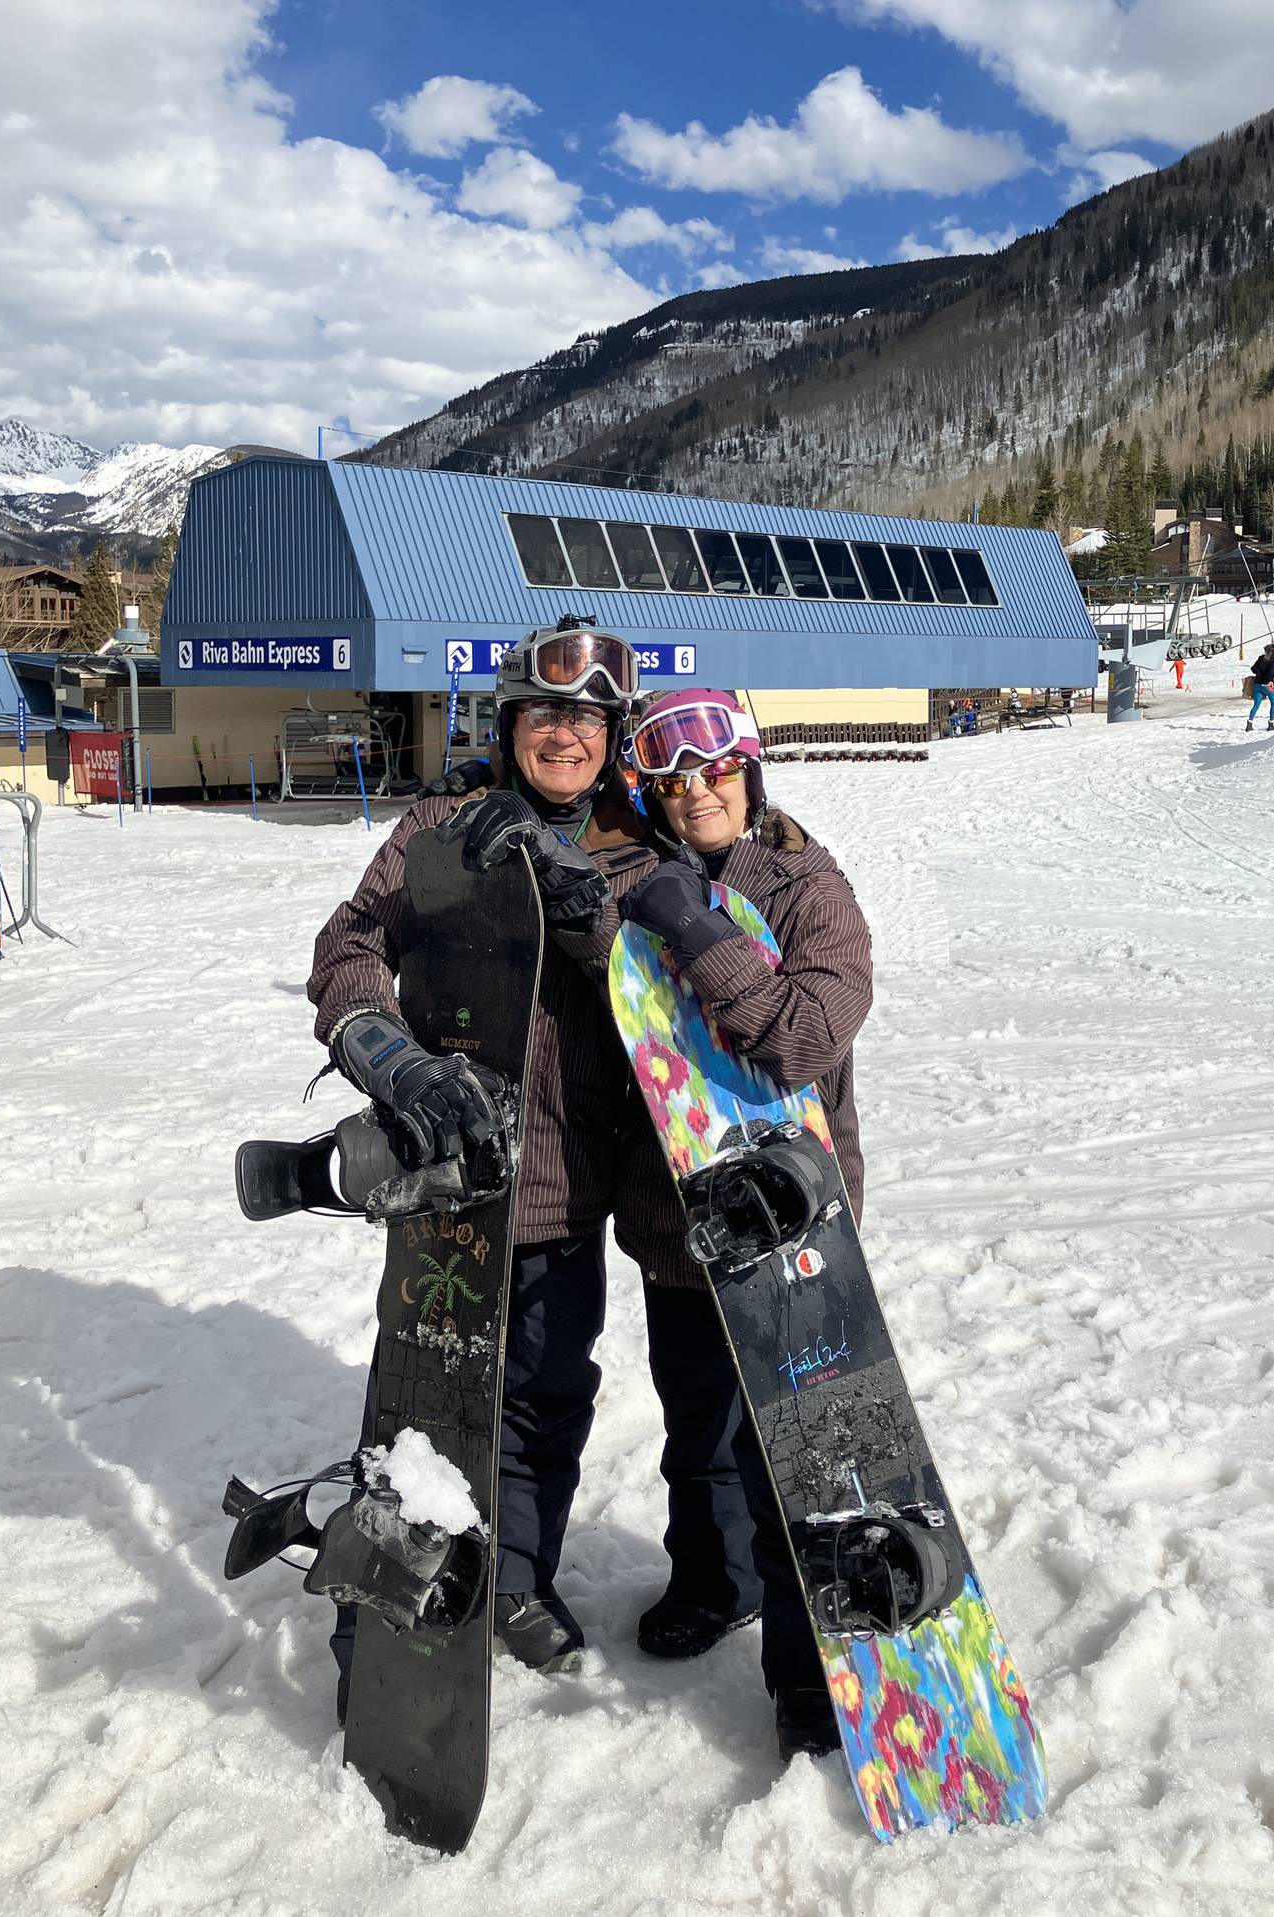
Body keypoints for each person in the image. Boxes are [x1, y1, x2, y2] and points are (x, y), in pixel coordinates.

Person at [307, 619, 659, 1698]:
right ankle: (389, 1604)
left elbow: (678, 1000)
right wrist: (390, 1057)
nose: (565, 738)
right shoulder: (439, 826)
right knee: (426, 1395)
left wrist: (595, 918)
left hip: (568, 1177)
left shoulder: (641, 850)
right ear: (509, 725)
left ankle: (513, 1577)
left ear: (613, 736)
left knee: (548, 1394)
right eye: (545, 715)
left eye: (587, 720)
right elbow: (348, 947)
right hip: (449, 1173)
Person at [613, 690, 875, 1761]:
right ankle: (713, 1584)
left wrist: (701, 930)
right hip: (683, 1216)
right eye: (674, 781)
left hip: (789, 1219)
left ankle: (811, 1672)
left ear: (750, 773)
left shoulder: (811, 888)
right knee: (699, 1435)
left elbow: (806, 1038)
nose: (698, 793)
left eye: (717, 773)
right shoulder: (631, 882)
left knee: (797, 1459)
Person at [1247, 643, 1274, 732]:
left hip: (1257, 685)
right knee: (1273, 703)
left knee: (1256, 705)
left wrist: (1259, 673)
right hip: (1268, 685)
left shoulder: (1261, 658)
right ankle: (1271, 724)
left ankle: (1249, 723)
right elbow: (1271, 672)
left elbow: (1253, 668)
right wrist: (1269, 680)